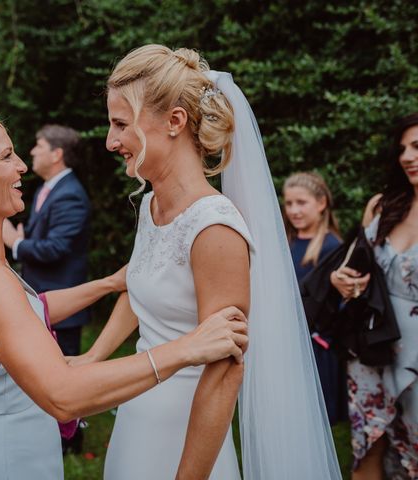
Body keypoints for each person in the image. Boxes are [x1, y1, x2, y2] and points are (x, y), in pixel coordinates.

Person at [0, 106, 249, 479]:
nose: (22, 166)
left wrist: (109, 283)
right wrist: (187, 347)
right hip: (14, 464)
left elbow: (26, 313)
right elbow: (64, 396)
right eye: (6, 156)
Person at [71, 44, 342, 479]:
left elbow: (225, 372)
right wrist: (94, 356)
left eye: (121, 124)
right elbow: (141, 287)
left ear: (175, 122)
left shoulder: (215, 228)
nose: (111, 141)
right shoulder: (151, 206)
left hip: (188, 433)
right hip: (139, 413)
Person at [330, 112, 418, 479]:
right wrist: (341, 280)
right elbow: (355, 266)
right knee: (368, 451)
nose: (407, 157)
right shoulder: (383, 208)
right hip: (372, 349)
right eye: (402, 149)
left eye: (417, 147)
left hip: (415, 356)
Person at [2, 125, 90, 357]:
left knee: (63, 375)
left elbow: (55, 248)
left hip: (62, 309)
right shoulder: (48, 188)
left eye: (39, 146)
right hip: (43, 301)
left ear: (56, 154)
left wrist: (15, 243)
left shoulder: (69, 195)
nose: (31, 152)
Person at [283, 171, 346, 425]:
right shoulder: (285, 243)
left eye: (301, 202)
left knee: (316, 420)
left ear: (321, 204)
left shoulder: (332, 247)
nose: (294, 210)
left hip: (317, 346)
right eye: (289, 203)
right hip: (287, 341)